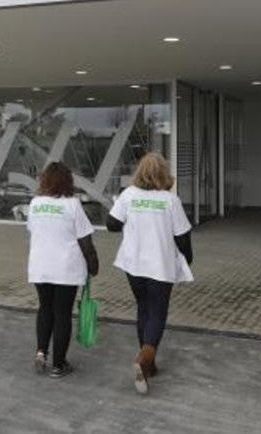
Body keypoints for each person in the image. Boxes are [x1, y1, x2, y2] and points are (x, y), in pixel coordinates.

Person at [106, 152, 193, 395]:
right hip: (160, 266)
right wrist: (188, 260)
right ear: (163, 173)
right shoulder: (169, 200)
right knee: (157, 312)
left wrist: (132, 218)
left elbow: (111, 224)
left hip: (133, 265)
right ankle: (144, 360)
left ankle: (149, 364)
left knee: (143, 309)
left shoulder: (129, 195)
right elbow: (182, 236)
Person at [26, 161, 99, 378]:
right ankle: (58, 364)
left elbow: (32, 231)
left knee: (45, 309)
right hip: (65, 268)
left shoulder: (35, 203)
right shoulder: (72, 205)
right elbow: (85, 241)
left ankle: (41, 352)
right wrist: (93, 264)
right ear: (68, 181)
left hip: (40, 266)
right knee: (62, 314)